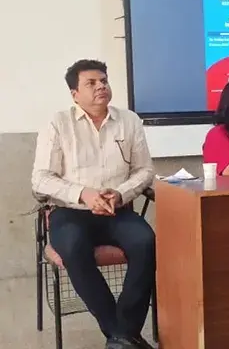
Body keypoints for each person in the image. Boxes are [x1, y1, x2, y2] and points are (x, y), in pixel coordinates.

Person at [31, 60, 156, 349]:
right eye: (91, 83)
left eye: (103, 81)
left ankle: (122, 335)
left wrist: (121, 193)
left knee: (146, 242)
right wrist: (83, 193)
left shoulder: (129, 121)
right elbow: (40, 178)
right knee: (74, 247)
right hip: (70, 212)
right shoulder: (57, 124)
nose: (101, 86)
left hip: (117, 210)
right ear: (75, 94)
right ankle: (122, 335)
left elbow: (144, 170)